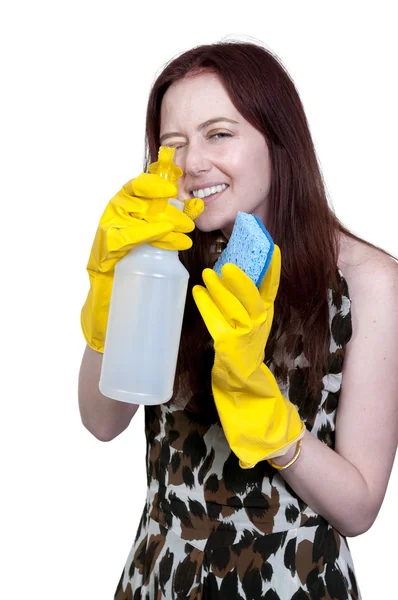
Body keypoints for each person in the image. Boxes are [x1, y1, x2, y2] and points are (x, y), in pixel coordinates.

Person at [78, 40, 398, 599]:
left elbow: (360, 507)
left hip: (293, 578)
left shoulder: (370, 282)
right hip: (162, 573)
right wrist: (112, 296)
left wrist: (271, 423)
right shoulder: (165, 262)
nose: (192, 162)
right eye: (173, 142)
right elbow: (102, 421)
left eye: (218, 133)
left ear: (279, 141)